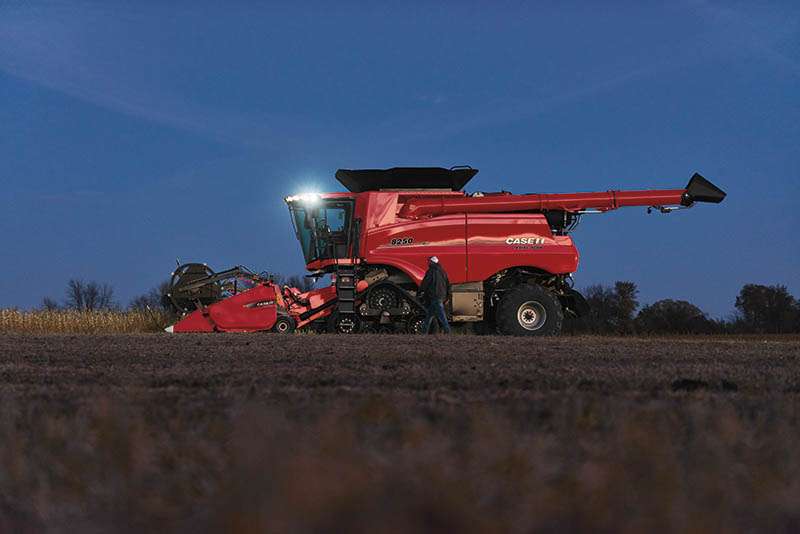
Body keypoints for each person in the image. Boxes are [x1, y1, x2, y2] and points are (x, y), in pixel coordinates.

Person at [418, 256, 451, 334]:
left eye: (429, 261)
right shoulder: (443, 271)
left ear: (432, 262)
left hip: (435, 296)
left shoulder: (431, 271)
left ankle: (448, 331)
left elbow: (425, 283)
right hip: (441, 296)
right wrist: (447, 296)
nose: (428, 263)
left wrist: (420, 292)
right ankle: (424, 332)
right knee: (429, 316)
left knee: (442, 316)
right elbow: (447, 284)